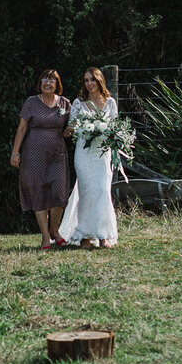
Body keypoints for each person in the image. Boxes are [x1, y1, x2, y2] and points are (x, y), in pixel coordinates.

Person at [10, 69, 72, 250]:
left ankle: (55, 230)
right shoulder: (31, 102)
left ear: (57, 84)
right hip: (33, 153)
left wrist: (73, 129)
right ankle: (45, 237)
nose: (48, 82)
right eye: (45, 79)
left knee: (59, 193)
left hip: (57, 154)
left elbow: (75, 122)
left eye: (52, 80)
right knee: (37, 191)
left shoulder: (64, 103)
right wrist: (15, 152)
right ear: (40, 82)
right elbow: (21, 128)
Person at [58, 67, 119, 249]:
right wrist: (71, 130)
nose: (89, 83)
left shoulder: (110, 103)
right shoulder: (79, 102)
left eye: (93, 80)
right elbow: (72, 127)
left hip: (102, 153)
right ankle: (85, 235)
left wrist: (105, 132)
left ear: (100, 81)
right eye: (86, 80)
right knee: (86, 192)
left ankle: (103, 235)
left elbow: (114, 128)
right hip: (84, 153)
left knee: (101, 191)